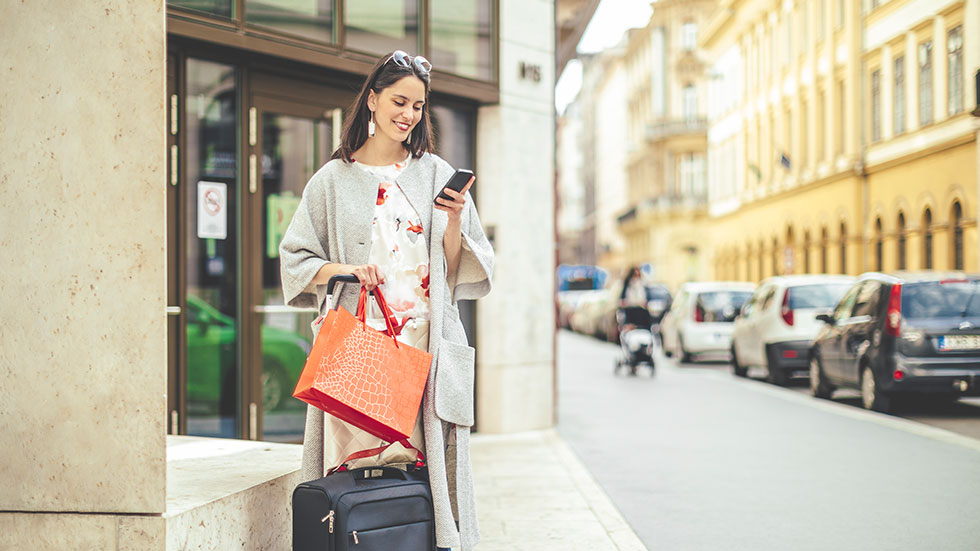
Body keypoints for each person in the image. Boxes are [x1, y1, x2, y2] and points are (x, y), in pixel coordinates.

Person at [279, 50, 494, 551]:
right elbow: (296, 259)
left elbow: (459, 266)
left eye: (418, 106)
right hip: (359, 351)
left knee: (424, 478)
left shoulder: (434, 171)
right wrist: (345, 270)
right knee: (354, 473)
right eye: (400, 101)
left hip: (426, 350)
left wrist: (456, 219)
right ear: (372, 100)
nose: (409, 115)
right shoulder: (332, 180)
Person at [619, 265, 652, 330]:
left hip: (640, 308)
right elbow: (623, 296)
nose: (636, 277)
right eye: (634, 275)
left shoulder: (642, 284)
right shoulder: (628, 284)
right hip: (630, 308)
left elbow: (646, 295)